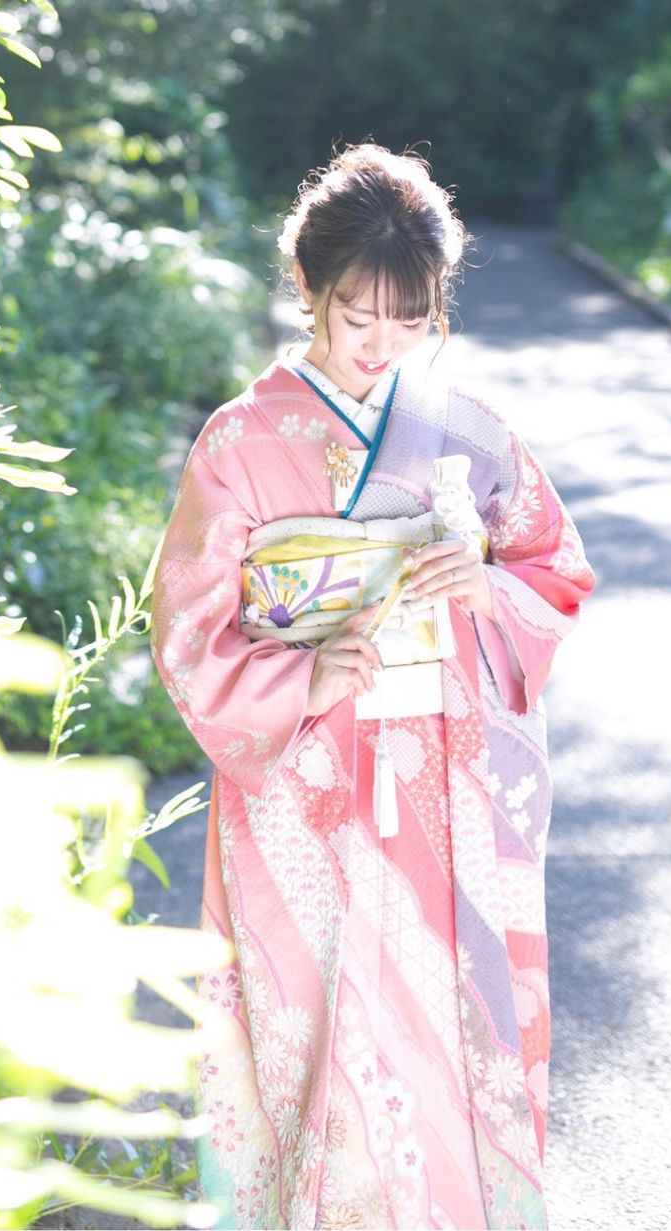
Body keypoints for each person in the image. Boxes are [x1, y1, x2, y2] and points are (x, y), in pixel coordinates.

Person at [149, 143, 594, 1230]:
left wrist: (485, 583)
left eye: (411, 320)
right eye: (359, 318)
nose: (382, 345)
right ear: (306, 286)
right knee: (306, 1009)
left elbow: (553, 566)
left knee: (443, 1014)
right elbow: (188, 623)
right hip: (299, 778)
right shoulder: (239, 441)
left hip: (442, 771)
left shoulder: (466, 426)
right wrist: (302, 672)